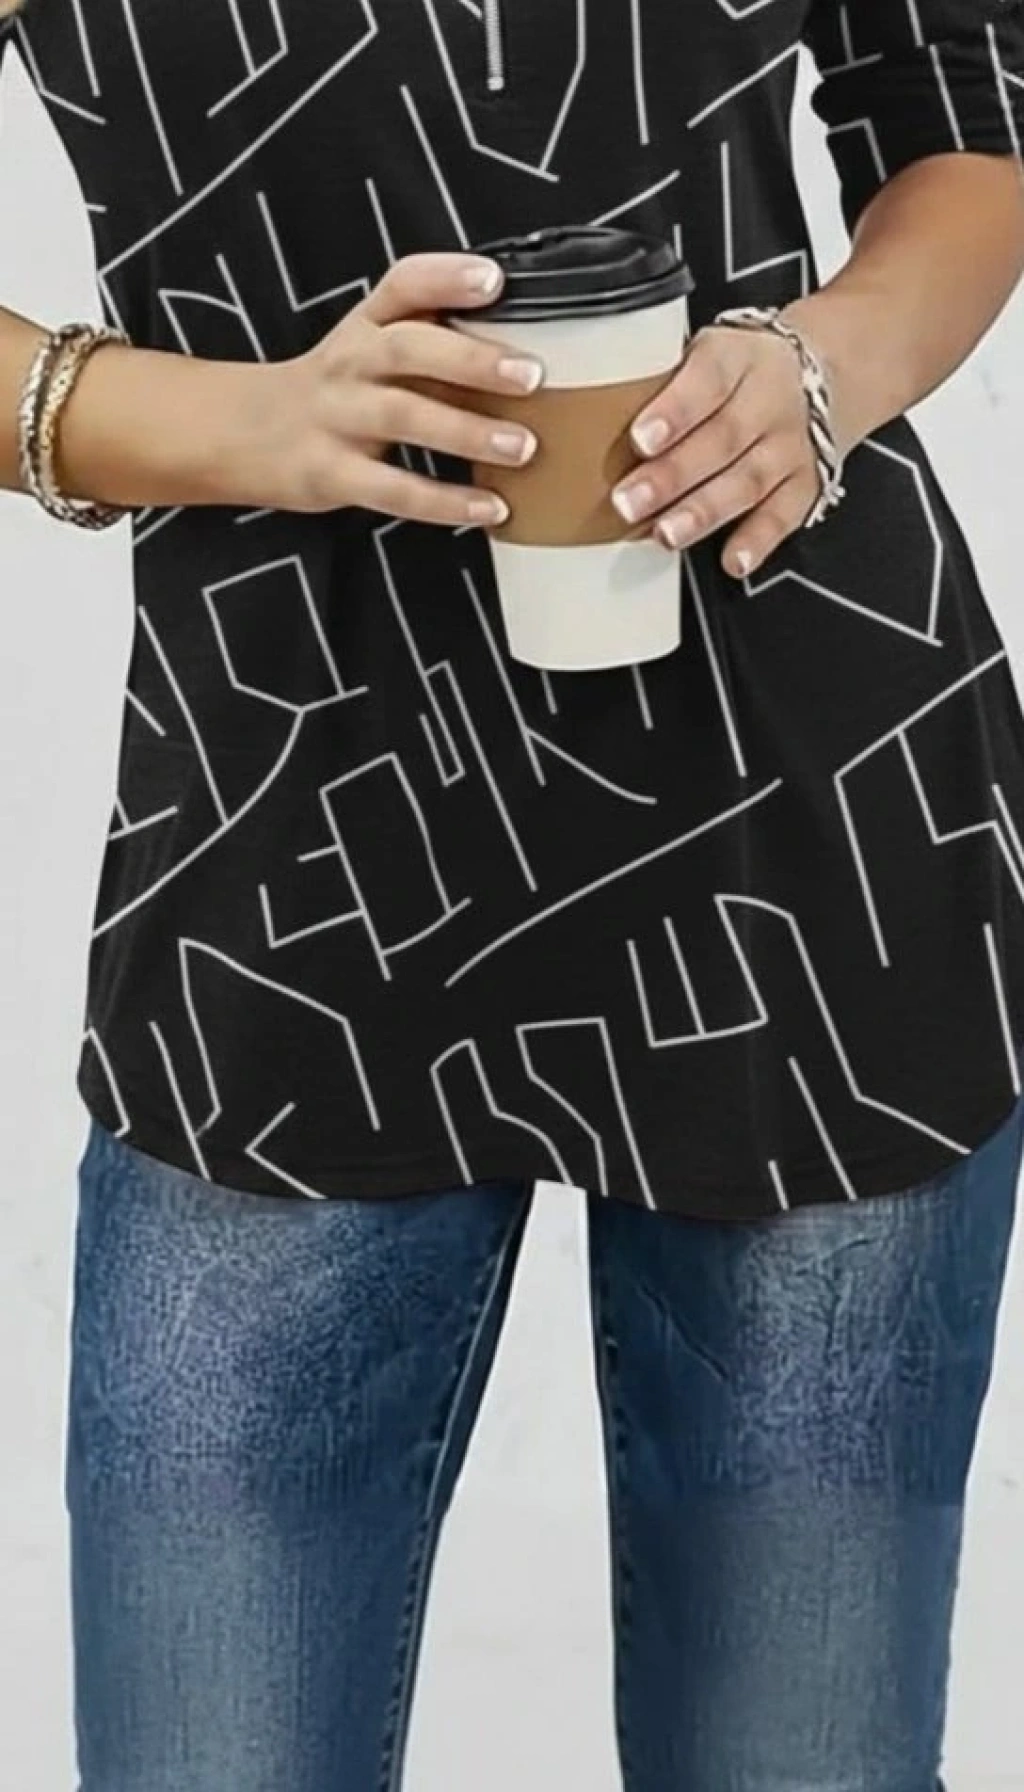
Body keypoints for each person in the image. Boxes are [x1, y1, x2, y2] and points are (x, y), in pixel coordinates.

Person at [3, 0, 1024, 1785]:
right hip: (281, 891)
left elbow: (964, 110)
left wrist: (821, 369)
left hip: (812, 858)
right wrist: (233, 424)